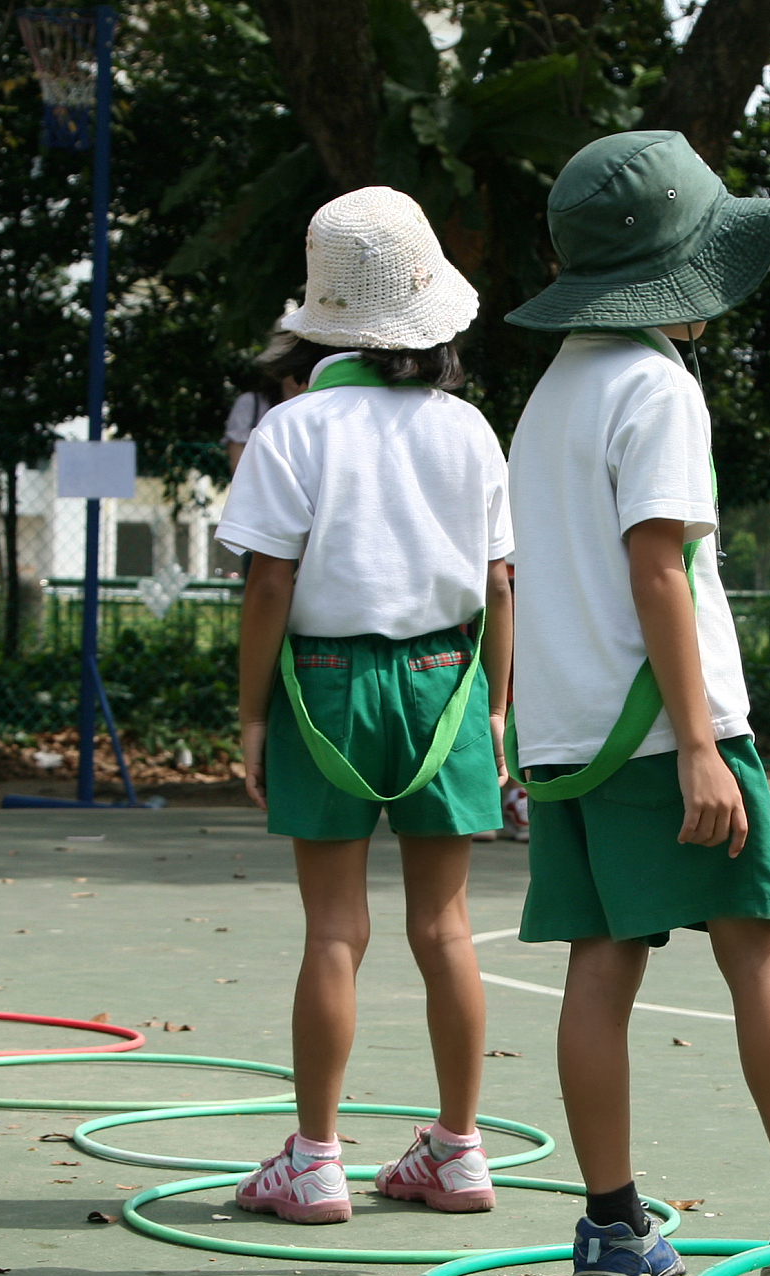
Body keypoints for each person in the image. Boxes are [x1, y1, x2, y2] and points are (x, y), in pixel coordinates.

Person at [504, 130, 770, 1276]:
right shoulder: (657, 387)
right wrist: (695, 740)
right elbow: (659, 572)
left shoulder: (550, 396)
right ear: (680, 273)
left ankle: (610, 1228)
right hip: (665, 726)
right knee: (760, 948)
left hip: (569, 735)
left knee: (600, 963)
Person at [220, 187, 513, 1224]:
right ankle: (461, 1149)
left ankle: (314, 1158)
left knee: (334, 929)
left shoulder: (293, 429)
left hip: (327, 687)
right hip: (445, 680)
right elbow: (499, 581)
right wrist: (493, 712)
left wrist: (253, 715)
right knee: (446, 926)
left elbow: (267, 586)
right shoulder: (470, 431)